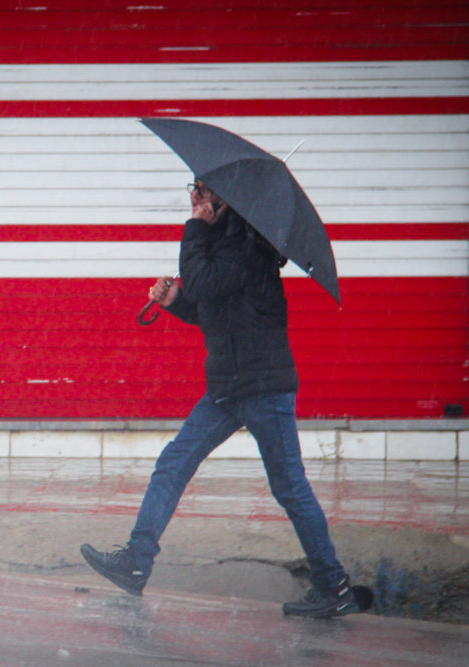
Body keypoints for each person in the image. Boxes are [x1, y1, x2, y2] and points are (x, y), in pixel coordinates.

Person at [80, 178, 361, 618]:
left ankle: (334, 587)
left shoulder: (248, 243)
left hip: (264, 386)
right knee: (174, 462)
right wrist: (175, 300)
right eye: (194, 190)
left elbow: (204, 280)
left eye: (203, 192)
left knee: (289, 487)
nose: (195, 199)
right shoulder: (227, 242)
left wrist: (195, 229)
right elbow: (210, 305)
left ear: (225, 199)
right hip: (228, 387)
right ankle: (136, 562)